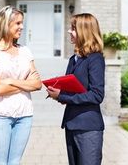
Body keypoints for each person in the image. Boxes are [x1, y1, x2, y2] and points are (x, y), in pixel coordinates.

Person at [0, 5, 42, 165]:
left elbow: (37, 84)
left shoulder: (25, 51)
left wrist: (10, 81)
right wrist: (25, 84)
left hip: (24, 116)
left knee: (14, 162)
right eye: (17, 23)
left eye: (22, 23)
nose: (22, 27)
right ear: (5, 24)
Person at [46, 13, 105, 165]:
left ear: (84, 32)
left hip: (88, 127)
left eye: (73, 29)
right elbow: (72, 88)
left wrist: (62, 96)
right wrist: (58, 91)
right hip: (71, 124)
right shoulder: (74, 59)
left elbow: (97, 95)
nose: (69, 32)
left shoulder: (95, 59)